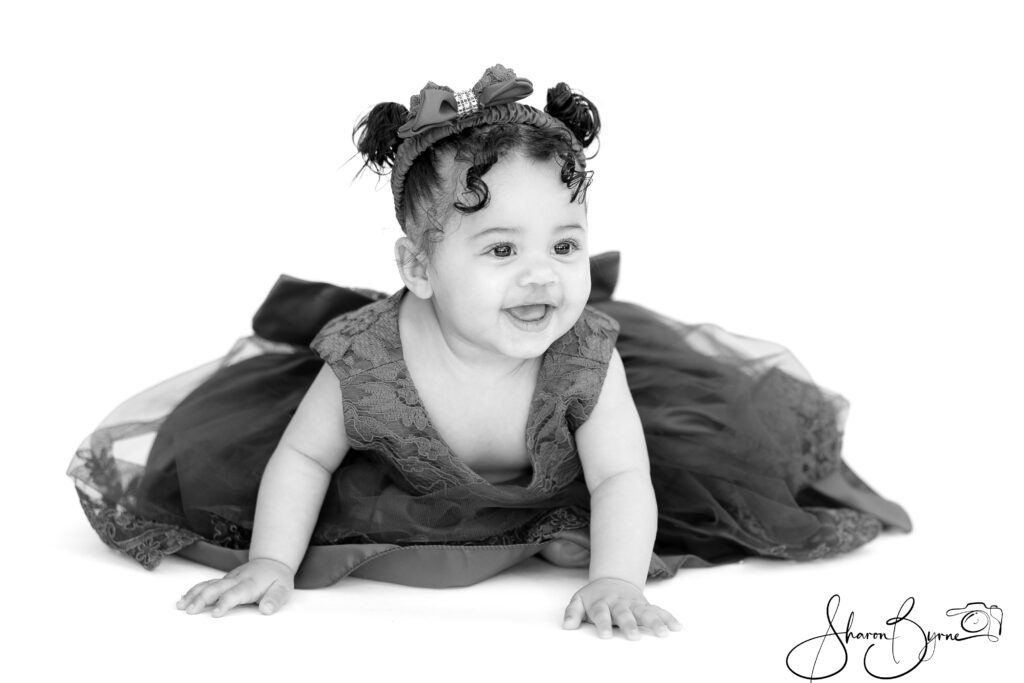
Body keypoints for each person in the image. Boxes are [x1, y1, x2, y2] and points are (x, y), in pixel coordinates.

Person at [67, 64, 911, 639]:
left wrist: (617, 578)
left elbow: (621, 475)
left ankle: (578, 544)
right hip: (406, 473)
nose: (542, 277)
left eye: (566, 246)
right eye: (501, 250)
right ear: (418, 268)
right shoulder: (370, 358)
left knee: (663, 470)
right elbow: (302, 458)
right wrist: (271, 561)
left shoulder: (584, 355)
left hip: (571, 466)